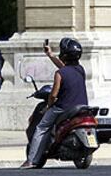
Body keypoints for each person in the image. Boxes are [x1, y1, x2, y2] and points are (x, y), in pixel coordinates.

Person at [20, 38, 88, 169]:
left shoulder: (59, 74)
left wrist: (47, 107)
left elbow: (53, 95)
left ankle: (31, 160)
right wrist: (50, 55)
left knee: (42, 127)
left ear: (64, 55)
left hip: (63, 108)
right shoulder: (80, 70)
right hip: (81, 107)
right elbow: (65, 68)